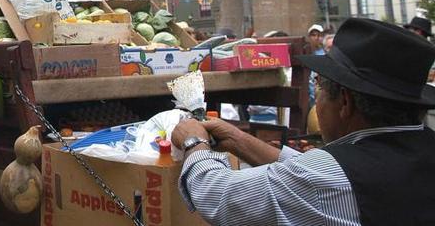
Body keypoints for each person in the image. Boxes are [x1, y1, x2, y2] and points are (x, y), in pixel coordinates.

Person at [171, 18, 435, 226]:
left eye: (318, 85)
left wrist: (194, 141)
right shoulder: (423, 146)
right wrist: (239, 140)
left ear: (345, 102)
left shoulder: (329, 175)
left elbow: (220, 197)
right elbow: (312, 173)